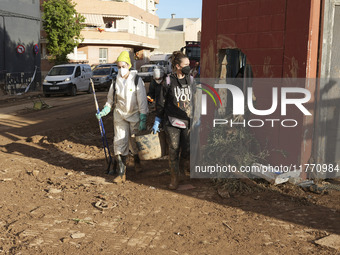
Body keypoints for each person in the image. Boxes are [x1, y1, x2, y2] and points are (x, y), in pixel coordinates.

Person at [96, 51, 148, 184]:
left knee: (133, 141)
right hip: (119, 114)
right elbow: (110, 100)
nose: (121, 69)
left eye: (123, 66)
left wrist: (143, 117)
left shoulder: (137, 80)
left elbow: (142, 101)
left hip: (135, 114)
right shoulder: (115, 81)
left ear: (129, 66)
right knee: (119, 142)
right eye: (118, 67)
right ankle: (121, 173)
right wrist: (105, 110)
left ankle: (137, 161)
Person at [151, 51, 194, 190]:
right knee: (174, 149)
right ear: (178, 66)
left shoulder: (191, 79)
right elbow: (161, 101)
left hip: (187, 121)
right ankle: (174, 178)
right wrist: (158, 118)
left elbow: (195, 99)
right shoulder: (168, 81)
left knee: (187, 150)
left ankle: (181, 171)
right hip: (172, 121)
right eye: (186, 64)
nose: (188, 66)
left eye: (189, 64)